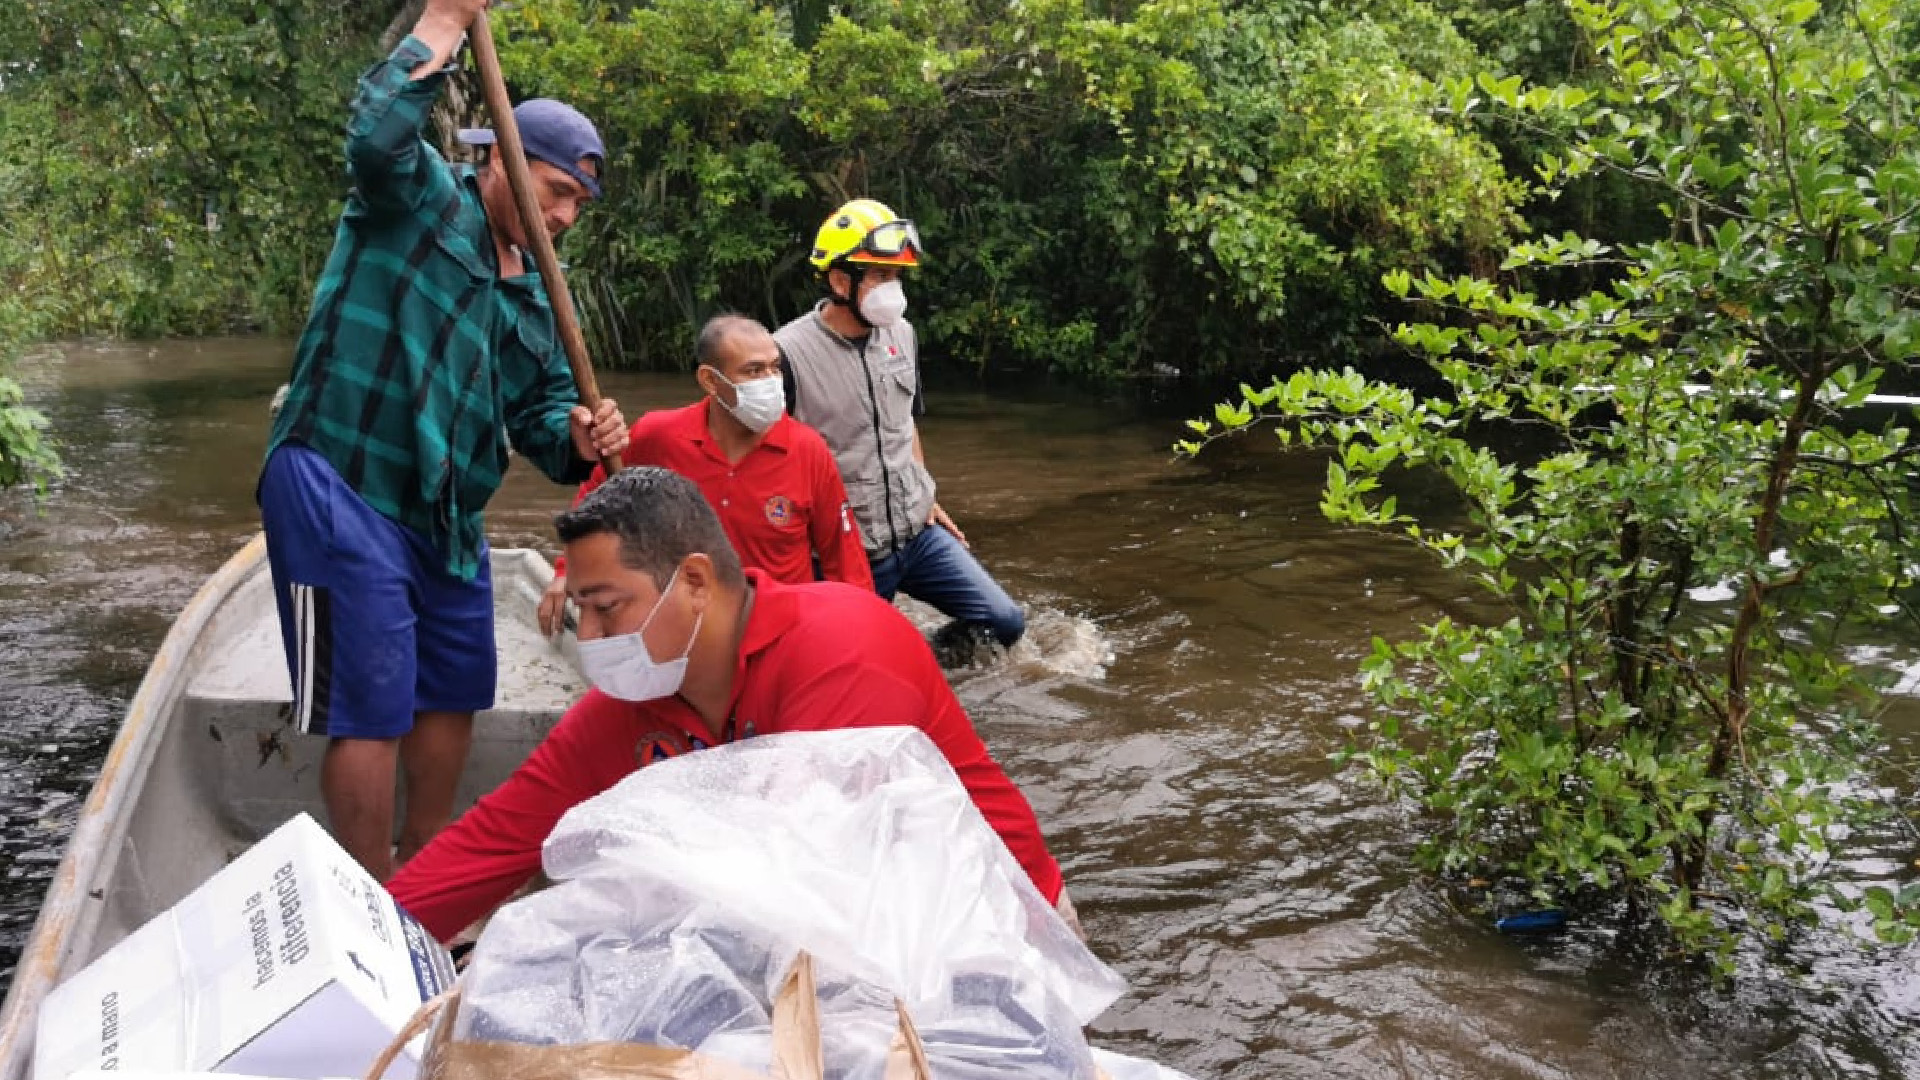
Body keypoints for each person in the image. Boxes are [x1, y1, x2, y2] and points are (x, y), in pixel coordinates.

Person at [388, 468, 1080, 941]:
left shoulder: (841, 649)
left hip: (991, 932)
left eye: (604, 608)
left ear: (693, 581)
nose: (588, 637)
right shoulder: (637, 701)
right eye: (580, 611)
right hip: (825, 933)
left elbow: (808, 874)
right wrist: (369, 937)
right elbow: (495, 842)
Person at [259, 0, 629, 882]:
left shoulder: (540, 296)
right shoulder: (419, 198)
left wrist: (578, 436)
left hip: (445, 517)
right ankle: (366, 892)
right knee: (373, 703)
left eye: (580, 202)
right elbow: (374, 137)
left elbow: (542, 424)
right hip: (341, 479)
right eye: (557, 192)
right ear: (498, 160)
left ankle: (420, 874)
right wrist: (445, 21)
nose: (568, 217)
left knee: (457, 685)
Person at [774, 199, 1026, 647]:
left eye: (896, 276)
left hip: (917, 533)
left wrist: (924, 490)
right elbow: (767, 463)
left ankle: (921, 658)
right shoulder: (785, 354)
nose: (894, 288)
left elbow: (905, 421)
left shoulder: (902, 334)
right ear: (839, 280)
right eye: (880, 275)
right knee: (845, 662)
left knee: (1003, 622)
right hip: (847, 551)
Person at [536, 315, 872, 635]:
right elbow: (595, 500)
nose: (769, 383)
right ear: (710, 380)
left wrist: (860, 627)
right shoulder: (660, 435)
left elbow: (844, 559)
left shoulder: (807, 450)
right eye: (753, 371)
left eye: (774, 369)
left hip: (775, 630)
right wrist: (568, 573)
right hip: (685, 628)